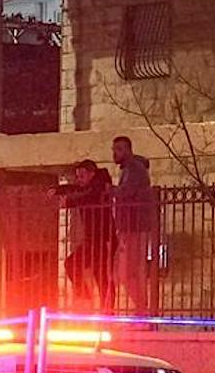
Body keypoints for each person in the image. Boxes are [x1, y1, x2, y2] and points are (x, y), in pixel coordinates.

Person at [58, 158, 116, 309]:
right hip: (92, 239)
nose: (79, 180)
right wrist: (59, 191)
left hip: (104, 238)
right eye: (77, 176)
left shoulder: (100, 187)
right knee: (74, 264)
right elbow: (77, 191)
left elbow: (88, 195)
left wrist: (70, 201)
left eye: (82, 176)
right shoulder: (87, 189)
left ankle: (106, 308)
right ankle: (87, 296)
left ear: (92, 174)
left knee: (101, 275)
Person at [112, 134, 159, 314]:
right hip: (129, 227)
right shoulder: (129, 169)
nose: (115, 153)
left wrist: (112, 192)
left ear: (129, 150)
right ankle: (141, 309)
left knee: (129, 272)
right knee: (127, 272)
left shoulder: (134, 169)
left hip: (134, 227)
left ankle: (142, 310)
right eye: (114, 149)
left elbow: (127, 192)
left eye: (119, 149)